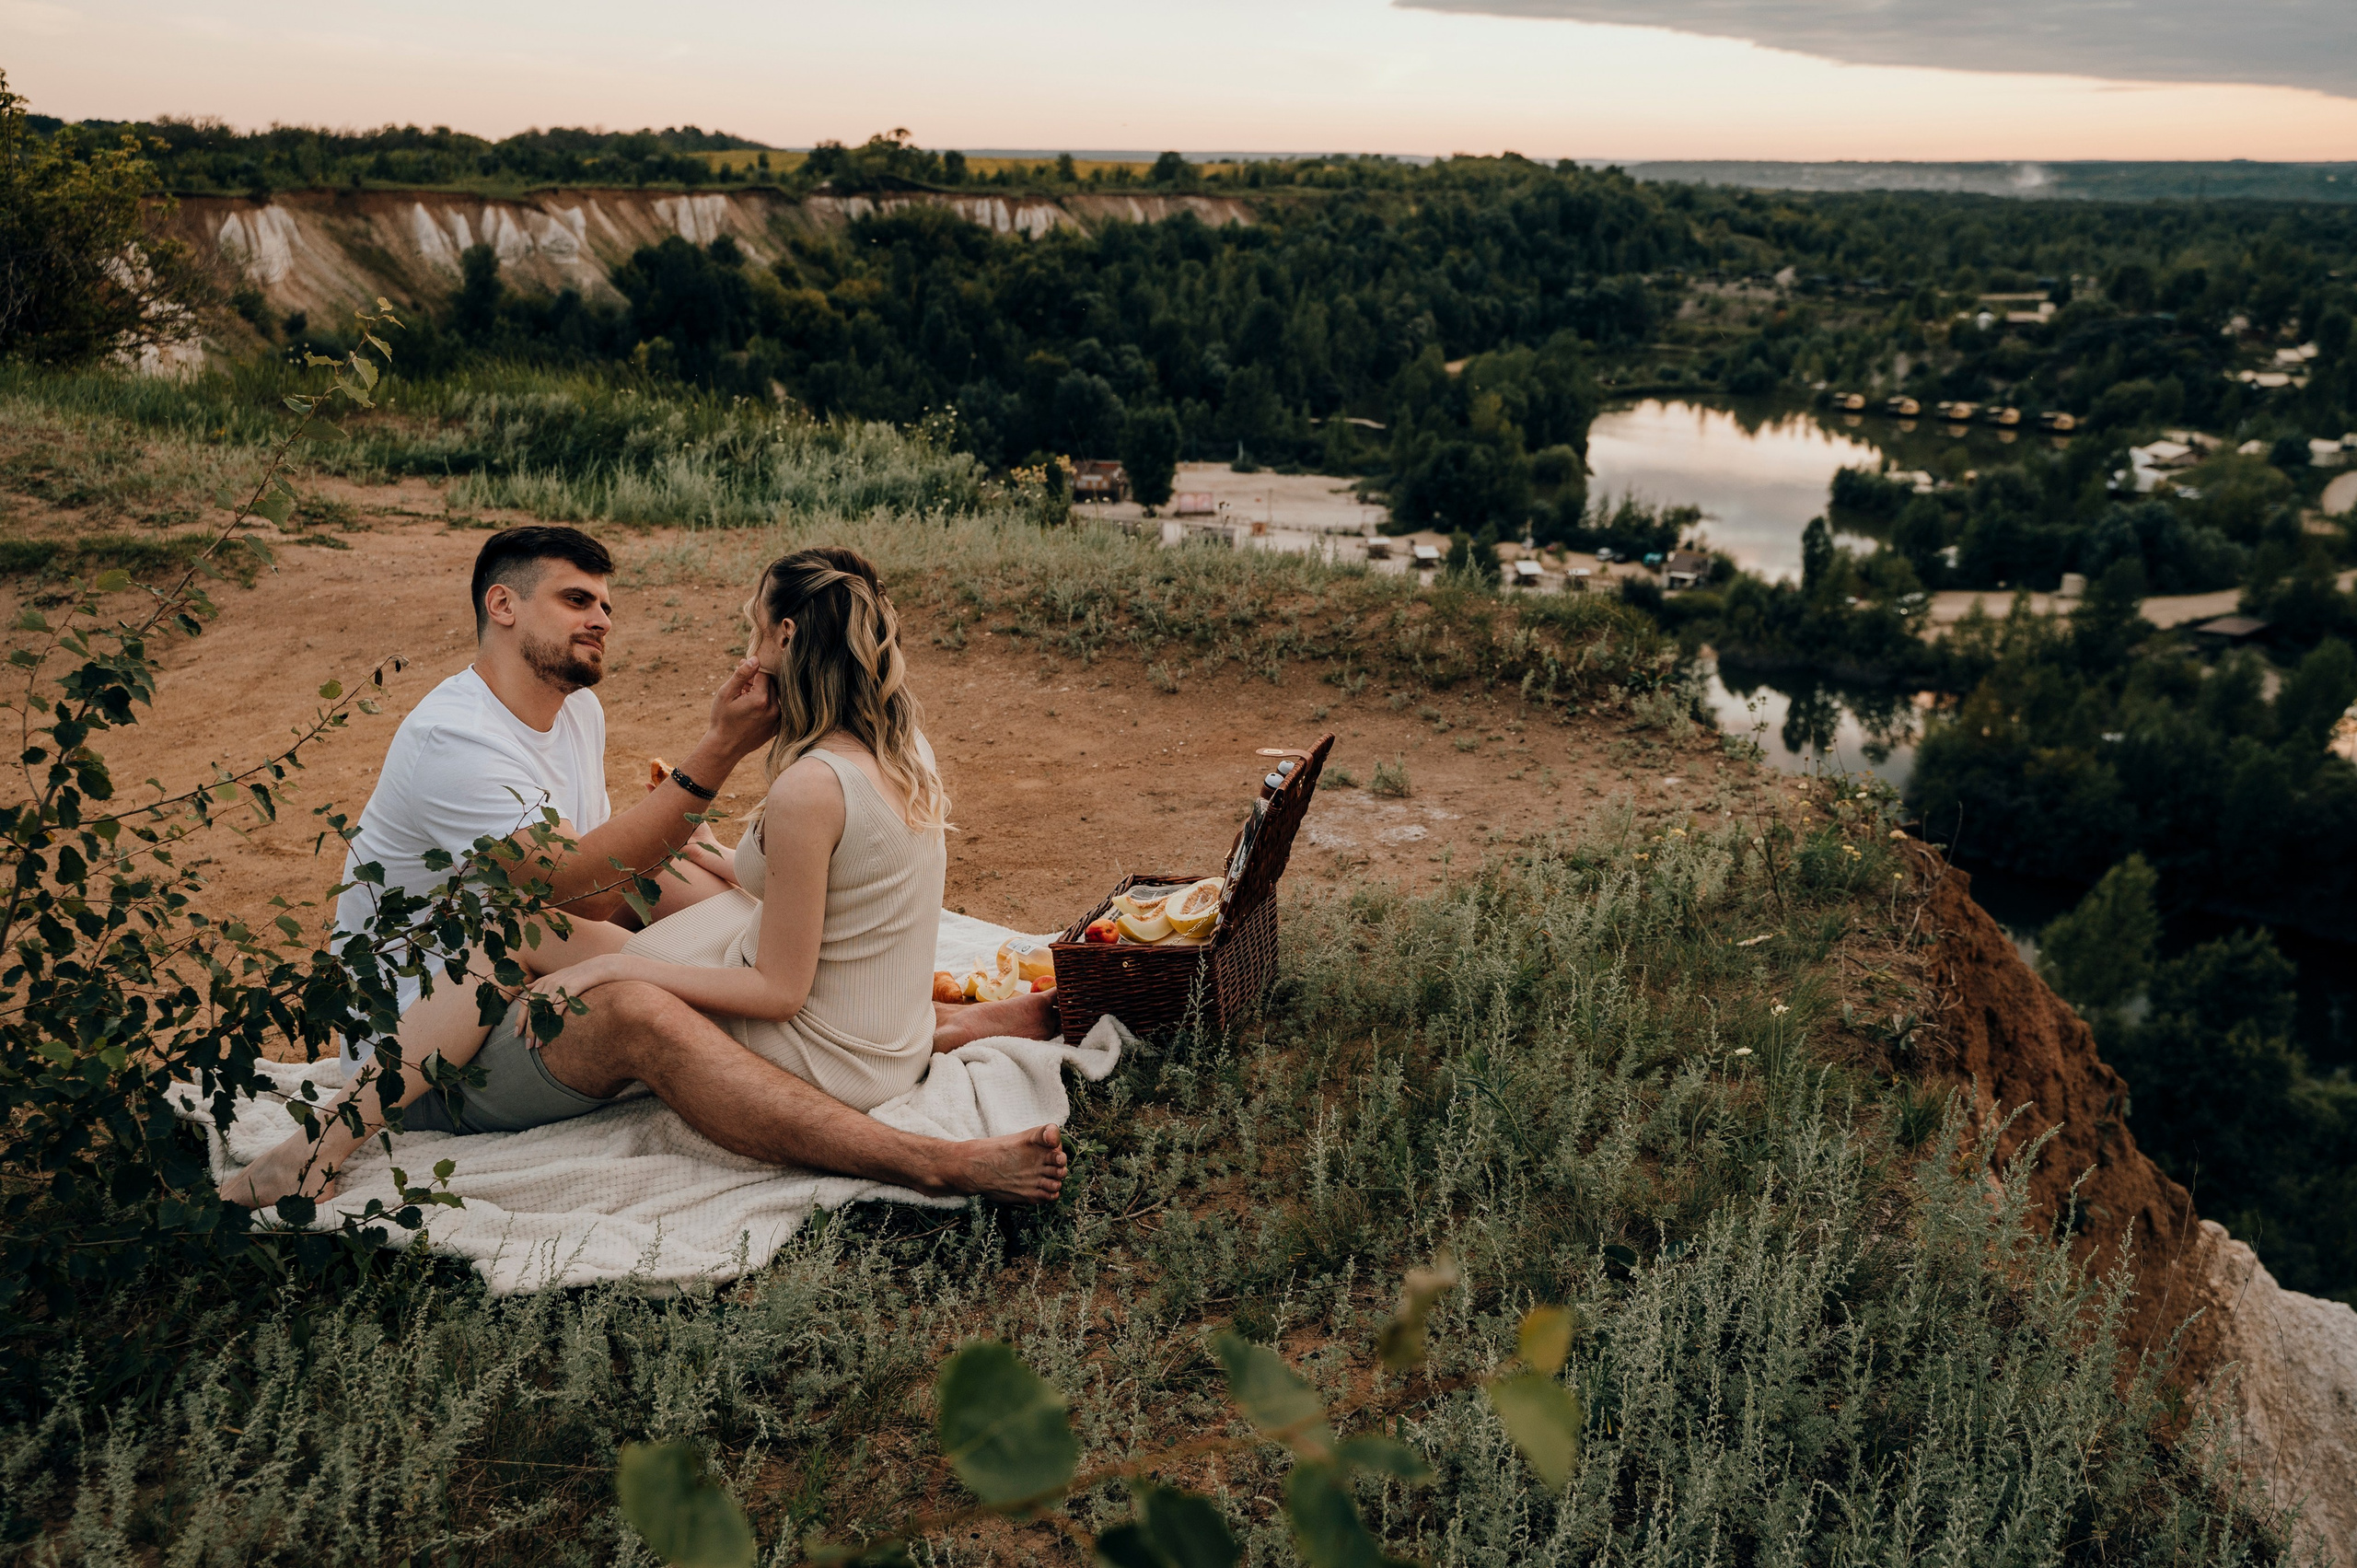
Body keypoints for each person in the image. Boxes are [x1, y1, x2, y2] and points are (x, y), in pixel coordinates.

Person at [222, 529, 1064, 1210]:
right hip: (424, 1044)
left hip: (539, 975)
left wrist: (701, 869)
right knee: (592, 971)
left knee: (691, 888)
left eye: (606, 603)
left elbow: (617, 878)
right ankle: (324, 1141)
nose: (602, 618)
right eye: (577, 599)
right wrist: (715, 763)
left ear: (783, 638)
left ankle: (936, 1024)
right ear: (502, 604)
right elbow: (566, 881)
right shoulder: (455, 741)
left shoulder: (578, 713)